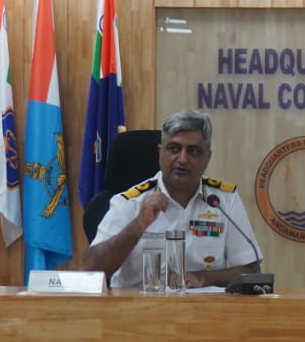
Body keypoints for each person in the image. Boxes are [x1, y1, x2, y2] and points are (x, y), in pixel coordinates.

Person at [82, 110, 262, 289]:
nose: (182, 159)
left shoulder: (223, 201)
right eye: (174, 149)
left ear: (208, 157)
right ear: (160, 152)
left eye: (193, 151)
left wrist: (205, 277)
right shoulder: (130, 202)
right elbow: (90, 270)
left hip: (204, 306)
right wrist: (137, 225)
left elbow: (252, 271)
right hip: (138, 305)